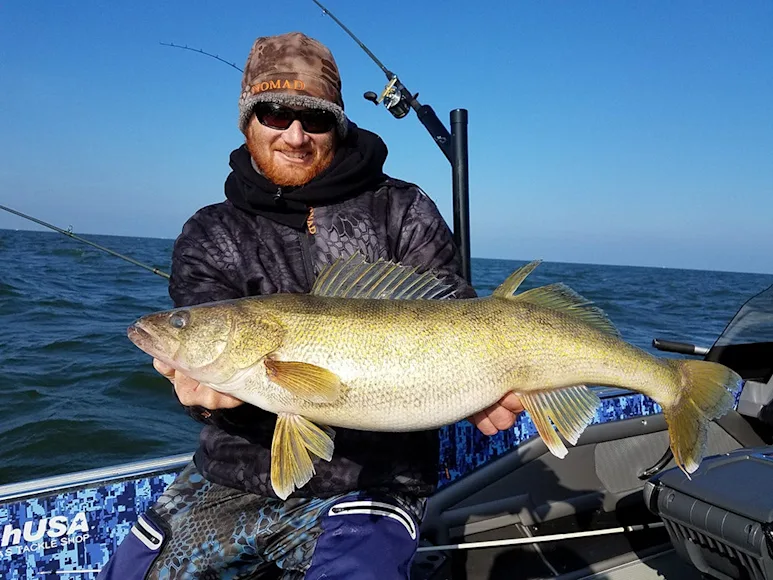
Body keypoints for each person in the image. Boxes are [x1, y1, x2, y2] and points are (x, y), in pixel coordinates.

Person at [99, 31, 524, 579]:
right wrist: (202, 396)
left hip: (376, 477)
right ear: (247, 122)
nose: (295, 135)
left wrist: (479, 386)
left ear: (339, 125)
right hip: (232, 471)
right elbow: (208, 360)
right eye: (274, 114)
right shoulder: (210, 232)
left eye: (315, 118)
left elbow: (453, 312)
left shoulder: (403, 209)